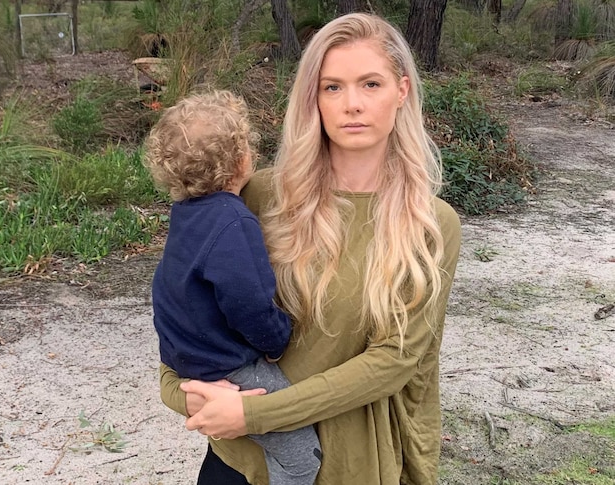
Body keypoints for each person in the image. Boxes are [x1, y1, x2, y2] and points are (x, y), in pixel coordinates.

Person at [158, 12, 462, 485]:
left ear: (401, 91)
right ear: (313, 99)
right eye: (333, 87)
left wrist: (257, 414)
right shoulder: (257, 196)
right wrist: (181, 392)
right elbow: (188, 298)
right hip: (243, 460)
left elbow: (394, 363)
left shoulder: (430, 225)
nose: (352, 105)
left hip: (350, 463)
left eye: (371, 84)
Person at [144, 90, 322, 485]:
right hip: (232, 366)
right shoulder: (233, 223)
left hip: (190, 360)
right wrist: (277, 341)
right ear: (242, 160)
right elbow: (248, 303)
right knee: (302, 458)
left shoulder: (186, 215)